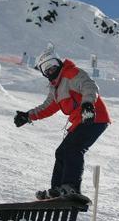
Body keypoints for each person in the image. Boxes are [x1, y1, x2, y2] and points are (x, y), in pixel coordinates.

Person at [14, 48, 110, 199]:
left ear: (59, 63)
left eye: (52, 65)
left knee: (73, 149)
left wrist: (87, 104)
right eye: (46, 69)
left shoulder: (71, 73)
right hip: (79, 122)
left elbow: (89, 86)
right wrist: (28, 116)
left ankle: (70, 187)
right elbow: (47, 107)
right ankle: (57, 190)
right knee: (61, 152)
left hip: (94, 117)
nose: (50, 69)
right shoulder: (56, 88)